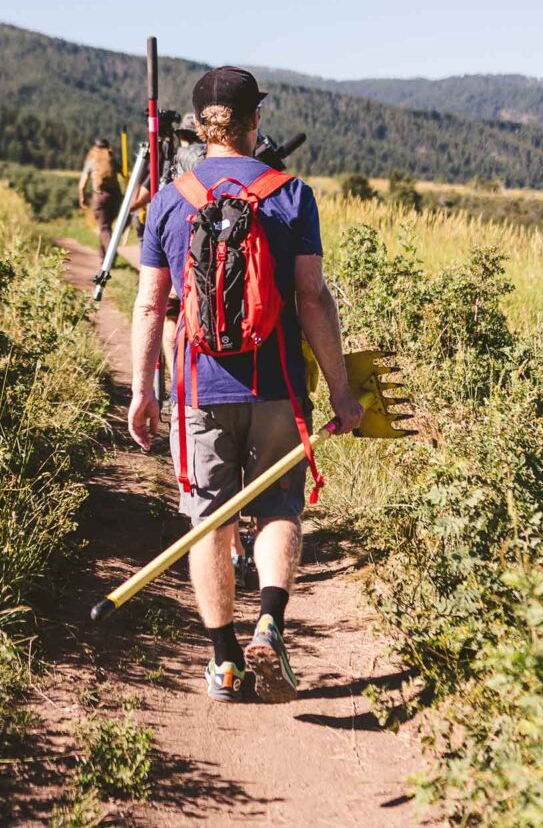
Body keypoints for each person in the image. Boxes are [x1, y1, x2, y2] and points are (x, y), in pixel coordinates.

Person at [128, 67, 365, 703]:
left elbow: (152, 305)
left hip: (199, 391)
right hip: (279, 383)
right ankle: (270, 622)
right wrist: (341, 389)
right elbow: (312, 299)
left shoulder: (170, 202)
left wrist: (143, 390)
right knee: (280, 507)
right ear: (254, 121)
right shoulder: (291, 195)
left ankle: (225, 660)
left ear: (201, 128)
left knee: (210, 519)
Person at [77, 136, 122, 257]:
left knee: (104, 227)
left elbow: (83, 183)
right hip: (116, 195)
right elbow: (123, 172)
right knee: (106, 227)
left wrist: (82, 197)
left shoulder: (92, 159)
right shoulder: (111, 158)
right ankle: (103, 256)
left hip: (100, 196)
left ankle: (111, 254)